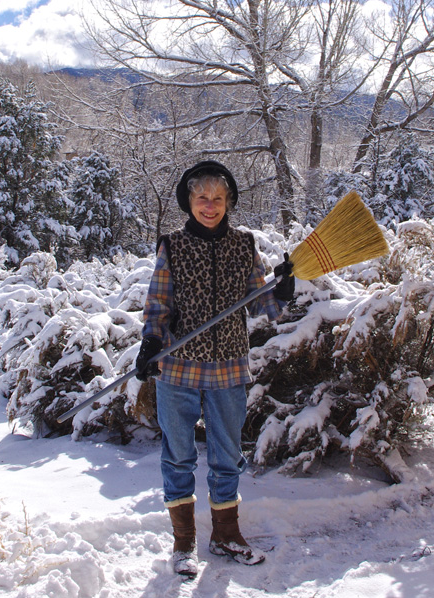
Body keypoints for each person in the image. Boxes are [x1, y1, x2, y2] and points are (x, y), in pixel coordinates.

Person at [134, 160, 294, 577]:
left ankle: (226, 534)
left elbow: (262, 303)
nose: (209, 205)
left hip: (227, 368)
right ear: (189, 202)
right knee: (178, 455)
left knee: (226, 455)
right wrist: (151, 341)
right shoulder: (172, 244)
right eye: (201, 198)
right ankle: (183, 543)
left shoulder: (244, 245)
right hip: (178, 367)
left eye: (217, 198)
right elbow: (158, 301)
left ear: (229, 202)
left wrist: (283, 289)